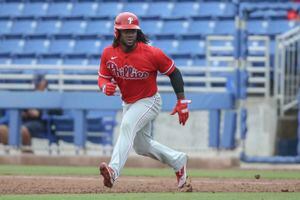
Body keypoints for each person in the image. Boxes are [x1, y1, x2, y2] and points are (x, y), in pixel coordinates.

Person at [97, 12, 192, 190]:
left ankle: (113, 172)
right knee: (141, 146)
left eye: (133, 30)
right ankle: (178, 160)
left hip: (150, 101)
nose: (130, 34)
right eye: (126, 31)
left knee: (126, 125)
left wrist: (182, 101)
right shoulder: (108, 53)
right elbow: (102, 78)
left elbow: (174, 72)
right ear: (117, 33)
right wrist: (104, 86)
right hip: (129, 103)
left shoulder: (151, 53)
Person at [0, 74, 48, 148]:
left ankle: (26, 151)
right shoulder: (30, 94)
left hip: (39, 122)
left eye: (39, 81)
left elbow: (38, 114)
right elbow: (24, 110)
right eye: (36, 82)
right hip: (25, 120)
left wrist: (34, 113)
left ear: (44, 82)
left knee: (23, 130)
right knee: (4, 128)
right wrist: (24, 113)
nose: (37, 84)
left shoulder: (50, 94)